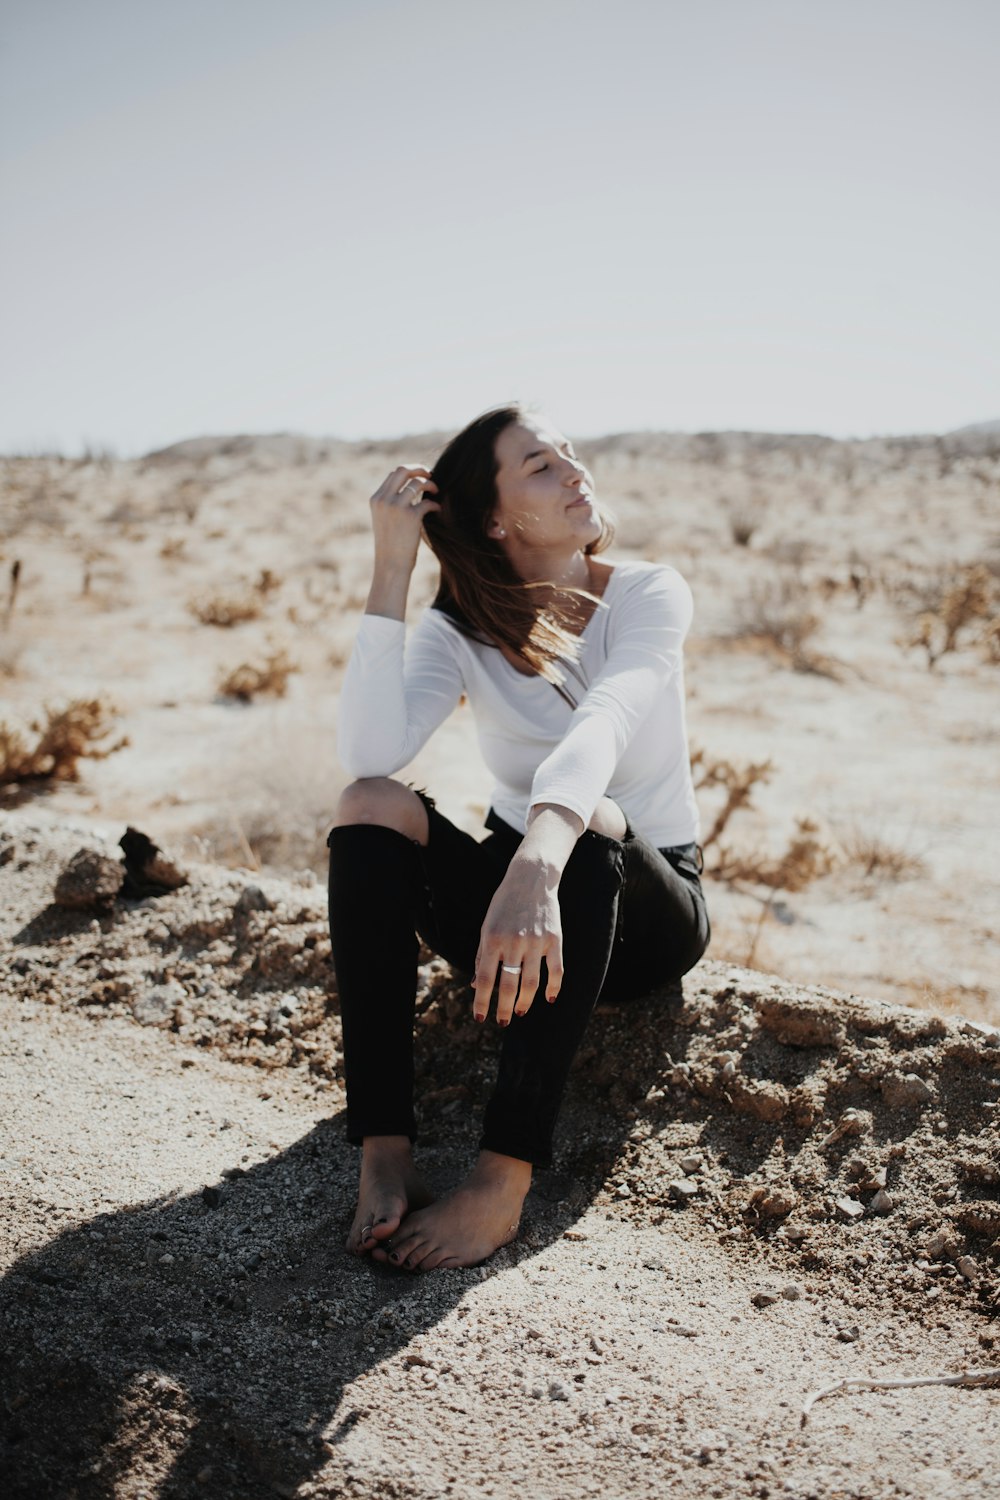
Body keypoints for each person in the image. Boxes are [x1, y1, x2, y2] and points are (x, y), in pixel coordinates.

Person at [327, 403, 710, 1273]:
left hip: (642, 910)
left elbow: (603, 725)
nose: (576, 471)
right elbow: (369, 753)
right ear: (496, 518)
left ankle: (502, 1181)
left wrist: (537, 857)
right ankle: (383, 1147)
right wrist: (393, 566)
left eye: (570, 455)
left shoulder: (649, 592)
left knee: (591, 821)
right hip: (518, 917)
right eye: (541, 465)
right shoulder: (459, 630)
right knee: (367, 803)